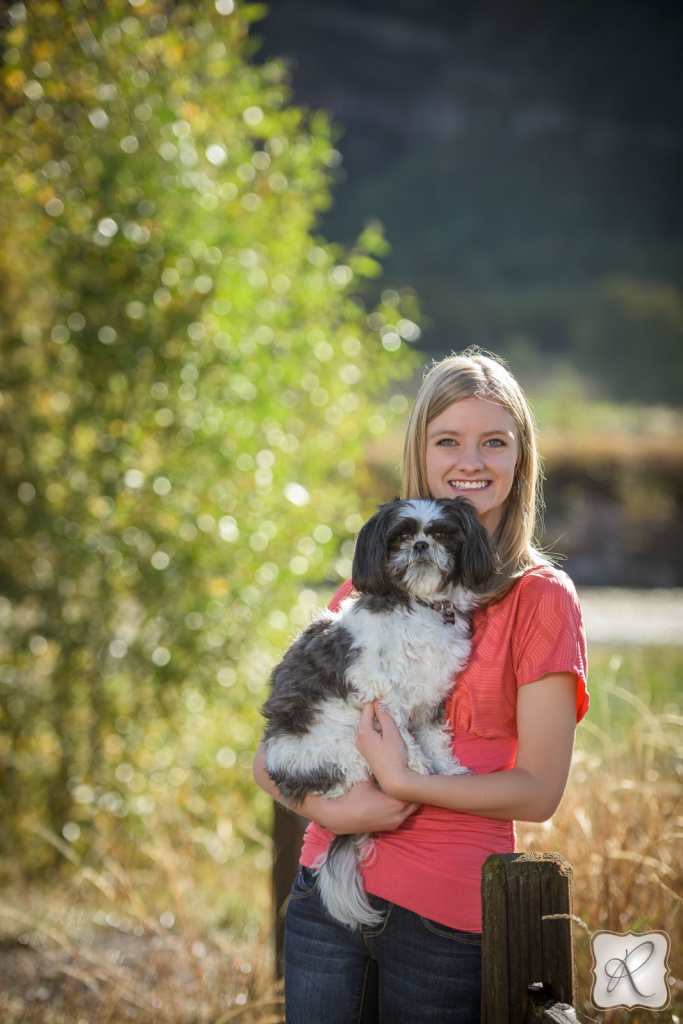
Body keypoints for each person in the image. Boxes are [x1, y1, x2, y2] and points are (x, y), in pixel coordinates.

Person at [253, 348, 589, 1024]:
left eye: (494, 442)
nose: (471, 461)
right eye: (448, 441)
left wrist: (405, 784)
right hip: (325, 896)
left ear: (520, 458)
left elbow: (540, 792)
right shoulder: (376, 582)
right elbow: (271, 756)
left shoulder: (542, 600)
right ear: (422, 452)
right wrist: (337, 811)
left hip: (448, 914)